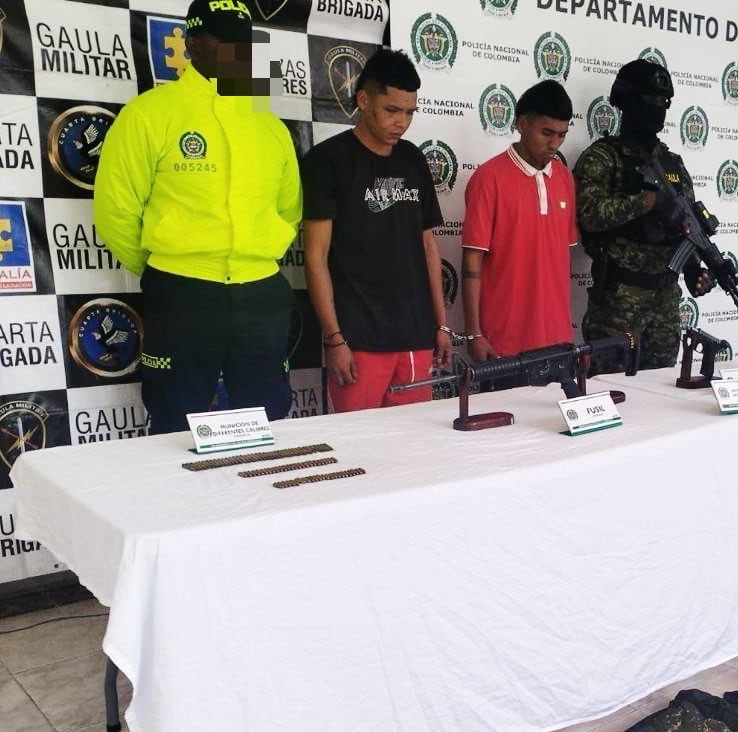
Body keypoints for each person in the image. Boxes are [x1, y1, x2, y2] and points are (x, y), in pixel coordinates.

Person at [94, 0, 300, 434]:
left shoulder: (269, 123)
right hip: (182, 293)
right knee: (174, 422)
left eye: (246, 44)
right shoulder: (149, 113)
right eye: (226, 42)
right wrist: (171, 268)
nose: (239, 54)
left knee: (268, 422)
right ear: (192, 44)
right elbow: (116, 212)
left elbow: (288, 211)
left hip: (260, 294)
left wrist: (254, 259)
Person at [301, 49, 451, 412]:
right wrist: (335, 339)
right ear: (364, 100)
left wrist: (442, 325)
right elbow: (316, 256)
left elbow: (428, 246)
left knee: (415, 438)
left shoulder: (413, 159)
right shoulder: (328, 160)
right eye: (392, 110)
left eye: (410, 113)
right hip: (359, 340)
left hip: (416, 335)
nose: (402, 123)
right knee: (358, 441)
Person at [574, 59, 713, 371]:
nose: (657, 109)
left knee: (662, 390)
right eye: (649, 100)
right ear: (625, 101)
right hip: (619, 304)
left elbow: (685, 226)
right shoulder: (603, 157)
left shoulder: (672, 163)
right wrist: (646, 202)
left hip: (665, 305)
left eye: (664, 102)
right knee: (610, 386)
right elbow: (589, 215)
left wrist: (693, 269)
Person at [461, 80, 576, 372]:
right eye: (546, 133)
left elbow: (562, 260)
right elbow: (472, 261)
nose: (555, 144)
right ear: (522, 124)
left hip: (558, 341)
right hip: (504, 344)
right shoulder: (488, 178)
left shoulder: (565, 178)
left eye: (562, 135)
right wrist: (474, 333)